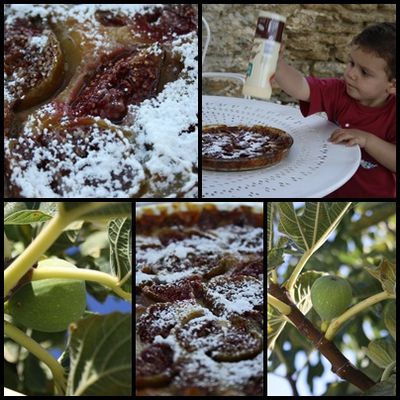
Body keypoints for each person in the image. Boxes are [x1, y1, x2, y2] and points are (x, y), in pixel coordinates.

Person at [275, 22, 396, 198]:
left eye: (365, 72)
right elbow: (301, 87)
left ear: (392, 84)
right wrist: (277, 64)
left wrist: (367, 140)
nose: (351, 74)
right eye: (351, 63)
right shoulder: (339, 91)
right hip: (326, 194)